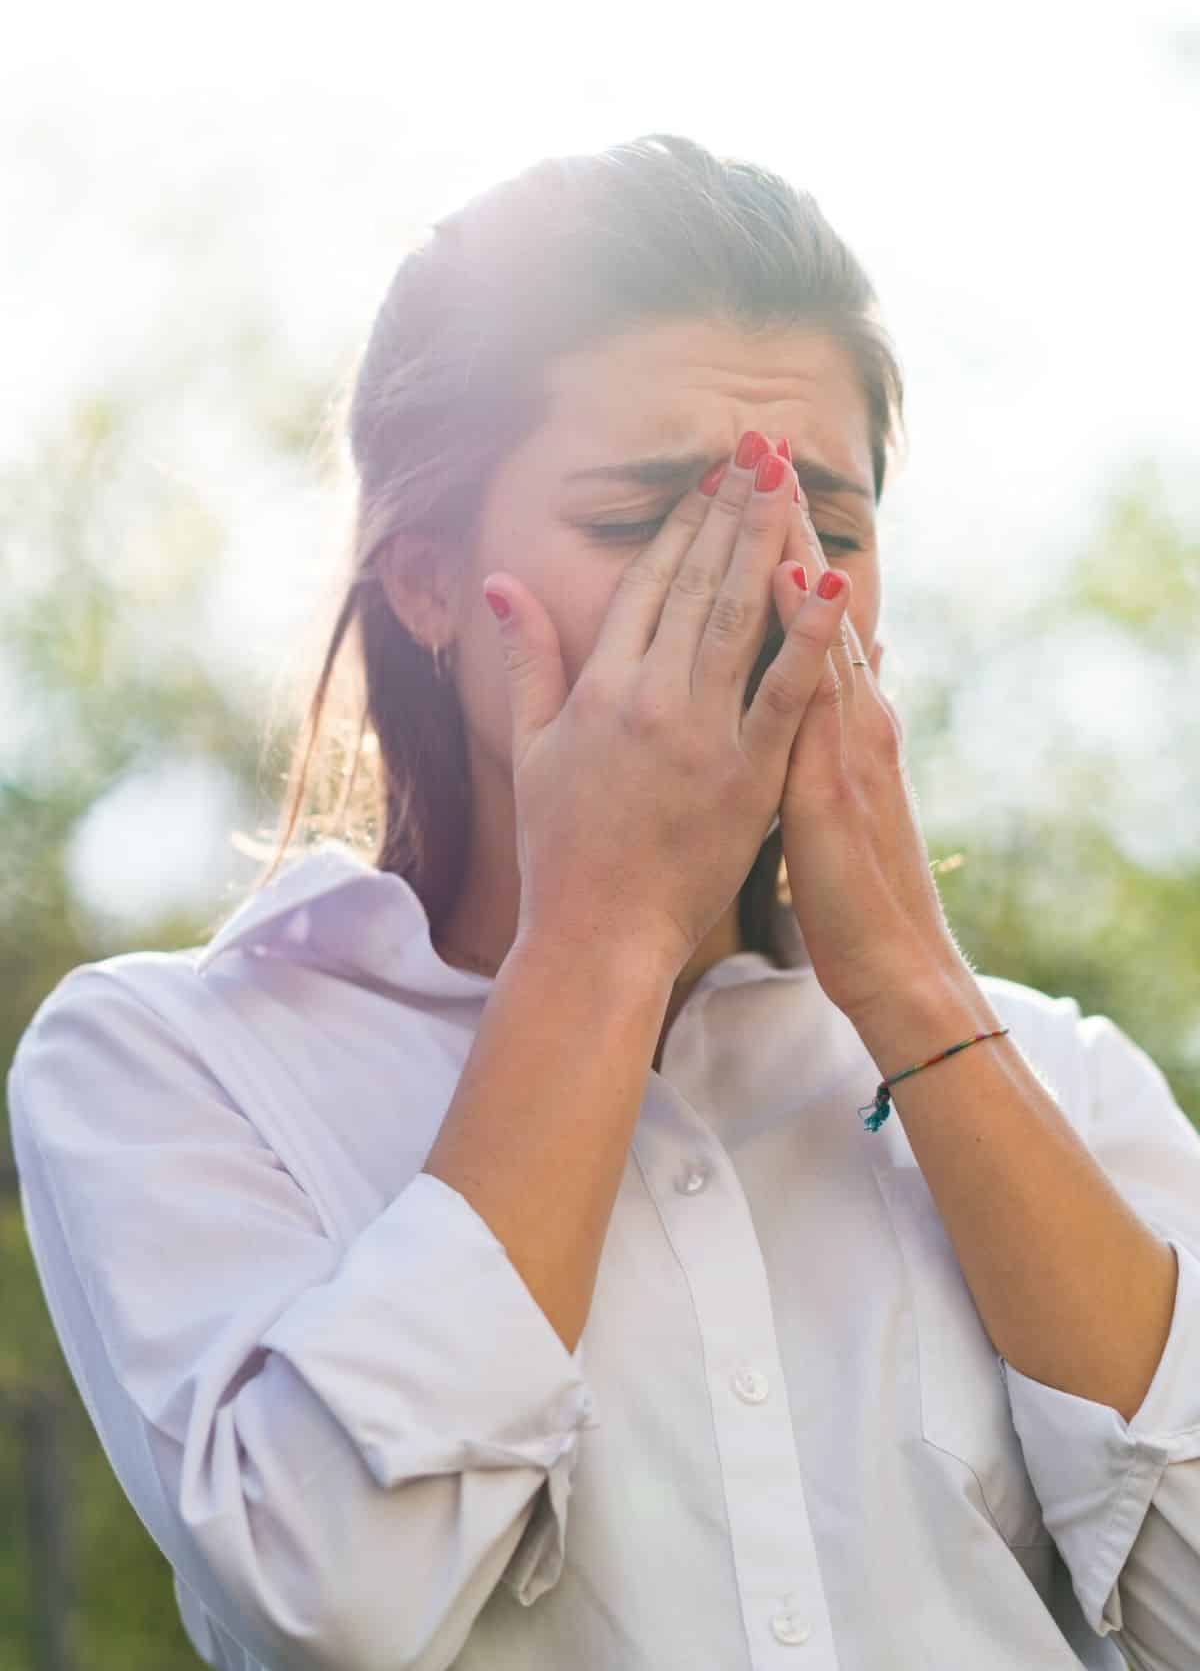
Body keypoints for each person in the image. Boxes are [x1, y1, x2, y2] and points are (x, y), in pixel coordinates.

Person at [7, 133, 1200, 1671]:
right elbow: (339, 1609)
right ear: (430, 580)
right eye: (646, 524)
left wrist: (913, 989)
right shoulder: (174, 1065)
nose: (759, 583)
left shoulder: (1073, 1081)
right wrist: (604, 940)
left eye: (824, 530)